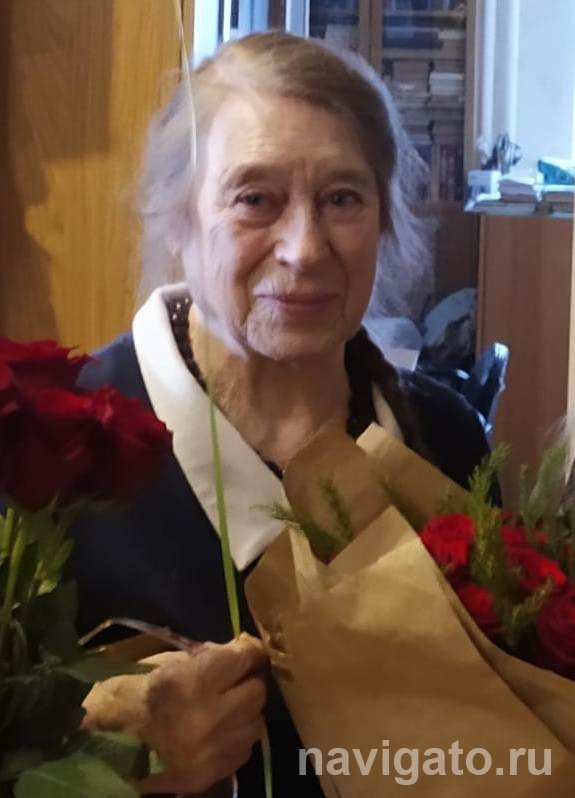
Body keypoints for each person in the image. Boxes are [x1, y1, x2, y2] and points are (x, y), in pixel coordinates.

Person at [73, 31, 492, 796]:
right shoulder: (56, 453)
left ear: (383, 221)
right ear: (177, 220)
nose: (304, 248)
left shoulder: (448, 444)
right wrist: (104, 766)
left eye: (341, 199)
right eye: (254, 199)